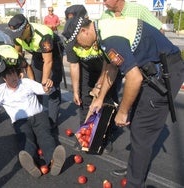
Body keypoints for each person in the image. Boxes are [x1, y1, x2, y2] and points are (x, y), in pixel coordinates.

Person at [62, 15, 184, 187]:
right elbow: (112, 67)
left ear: (84, 31)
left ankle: (135, 182)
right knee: (136, 124)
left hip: (165, 73)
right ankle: (135, 169)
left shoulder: (110, 38)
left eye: (77, 41)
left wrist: (122, 111)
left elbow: (134, 79)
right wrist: (100, 98)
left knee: (142, 130)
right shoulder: (102, 30)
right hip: (151, 70)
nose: (78, 46)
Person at [101, 0, 165, 175]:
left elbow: (159, 32)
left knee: (138, 120)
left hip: (144, 72)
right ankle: (134, 165)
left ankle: (135, 169)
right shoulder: (105, 16)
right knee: (125, 108)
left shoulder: (138, 10)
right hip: (121, 68)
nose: (104, 2)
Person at [0, 58, 66, 178]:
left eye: (15, 74)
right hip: (20, 122)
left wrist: (47, 87)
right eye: (10, 76)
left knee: (45, 135)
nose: (14, 78)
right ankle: (31, 161)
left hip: (38, 116)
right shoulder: (0, 91)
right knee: (26, 139)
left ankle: (53, 160)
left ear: (18, 74)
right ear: (4, 79)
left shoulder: (26, 83)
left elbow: (43, 89)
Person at [63, 5, 118, 153]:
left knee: (106, 103)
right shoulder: (71, 43)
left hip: (108, 70)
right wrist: (75, 91)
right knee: (85, 102)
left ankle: (105, 137)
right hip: (88, 71)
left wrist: (100, 87)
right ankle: (84, 135)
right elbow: (74, 66)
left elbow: (109, 65)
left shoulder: (101, 35)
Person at [6, 14, 63, 128]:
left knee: (51, 88)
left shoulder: (43, 35)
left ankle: (52, 123)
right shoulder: (17, 36)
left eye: (20, 34)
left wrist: (45, 81)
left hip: (53, 54)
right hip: (37, 53)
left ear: (27, 27)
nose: (19, 37)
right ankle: (38, 117)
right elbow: (18, 54)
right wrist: (20, 70)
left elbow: (48, 62)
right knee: (35, 86)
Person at [0, 44, 28, 124]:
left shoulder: (11, 56)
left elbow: (23, 62)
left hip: (9, 65)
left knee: (16, 86)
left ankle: (23, 109)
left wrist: (21, 70)